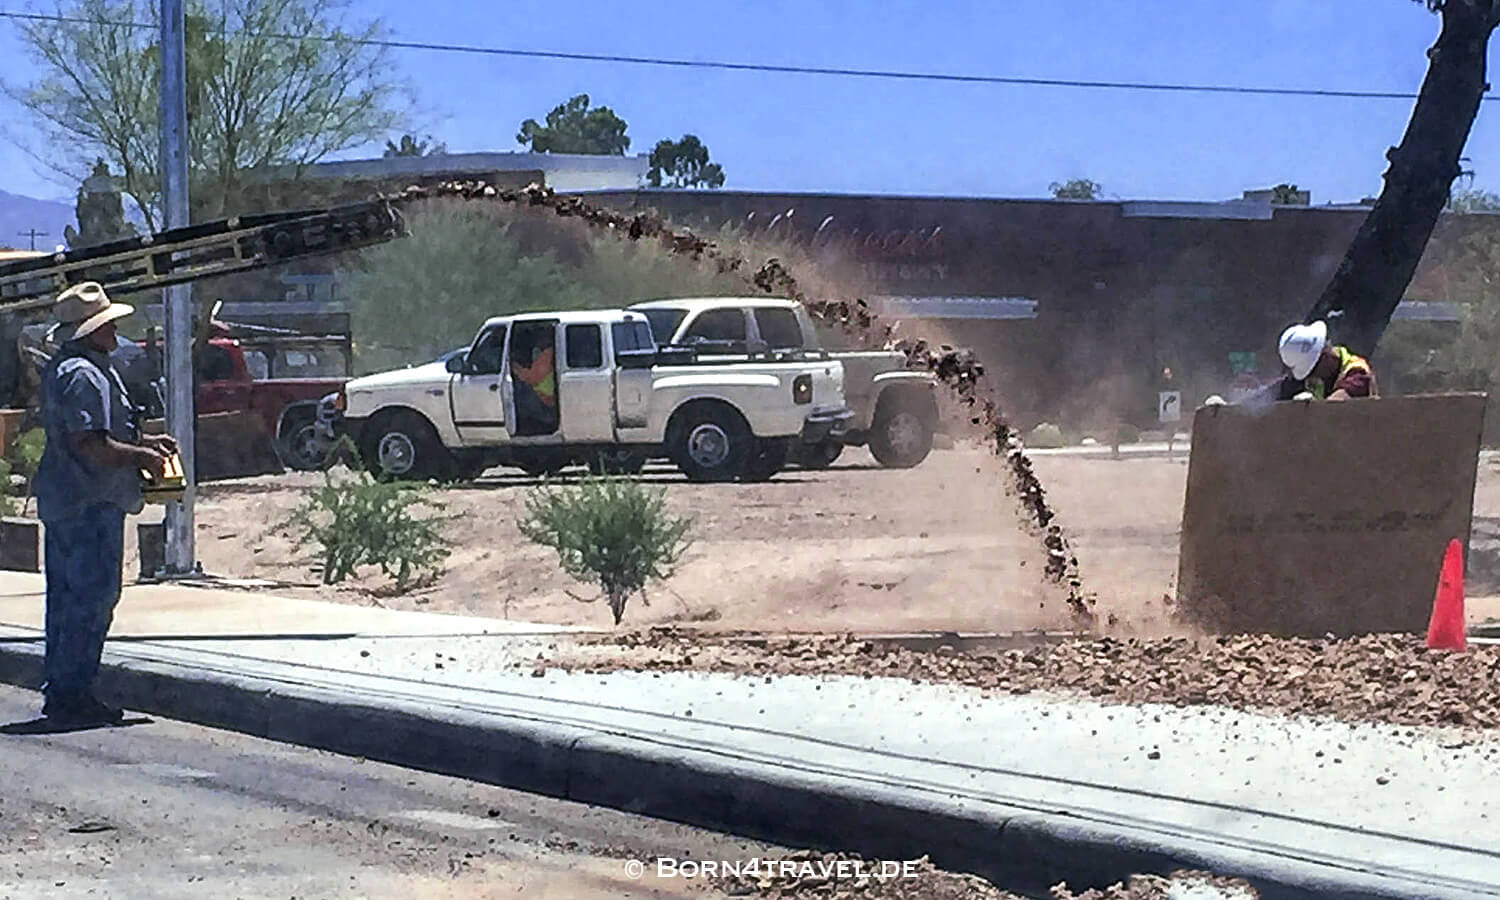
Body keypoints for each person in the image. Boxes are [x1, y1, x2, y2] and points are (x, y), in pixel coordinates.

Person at [32, 282, 176, 726]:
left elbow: (102, 431)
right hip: (87, 502)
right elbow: (90, 444)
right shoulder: (84, 375)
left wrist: (144, 441)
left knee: (68, 600)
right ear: (90, 330)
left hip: (71, 501)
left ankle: (64, 690)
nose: (114, 330)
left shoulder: (77, 368)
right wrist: (143, 457)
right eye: (107, 324)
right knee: (91, 599)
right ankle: (73, 694)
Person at [1272, 320, 1377, 402]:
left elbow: (1340, 400)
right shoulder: (1321, 373)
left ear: (1325, 356)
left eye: (1312, 371)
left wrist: (1310, 410)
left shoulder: (1357, 371)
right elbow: (1278, 390)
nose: (1313, 376)